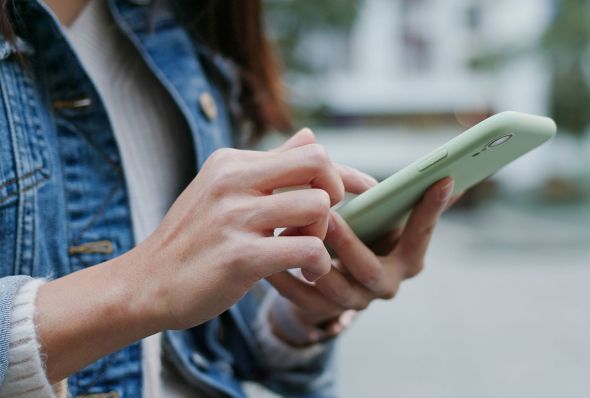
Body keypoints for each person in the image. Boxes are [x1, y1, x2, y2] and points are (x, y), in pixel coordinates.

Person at [0, 0, 454, 397]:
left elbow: (204, 341)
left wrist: (298, 312)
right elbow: (162, 284)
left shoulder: (186, 22)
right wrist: (138, 287)